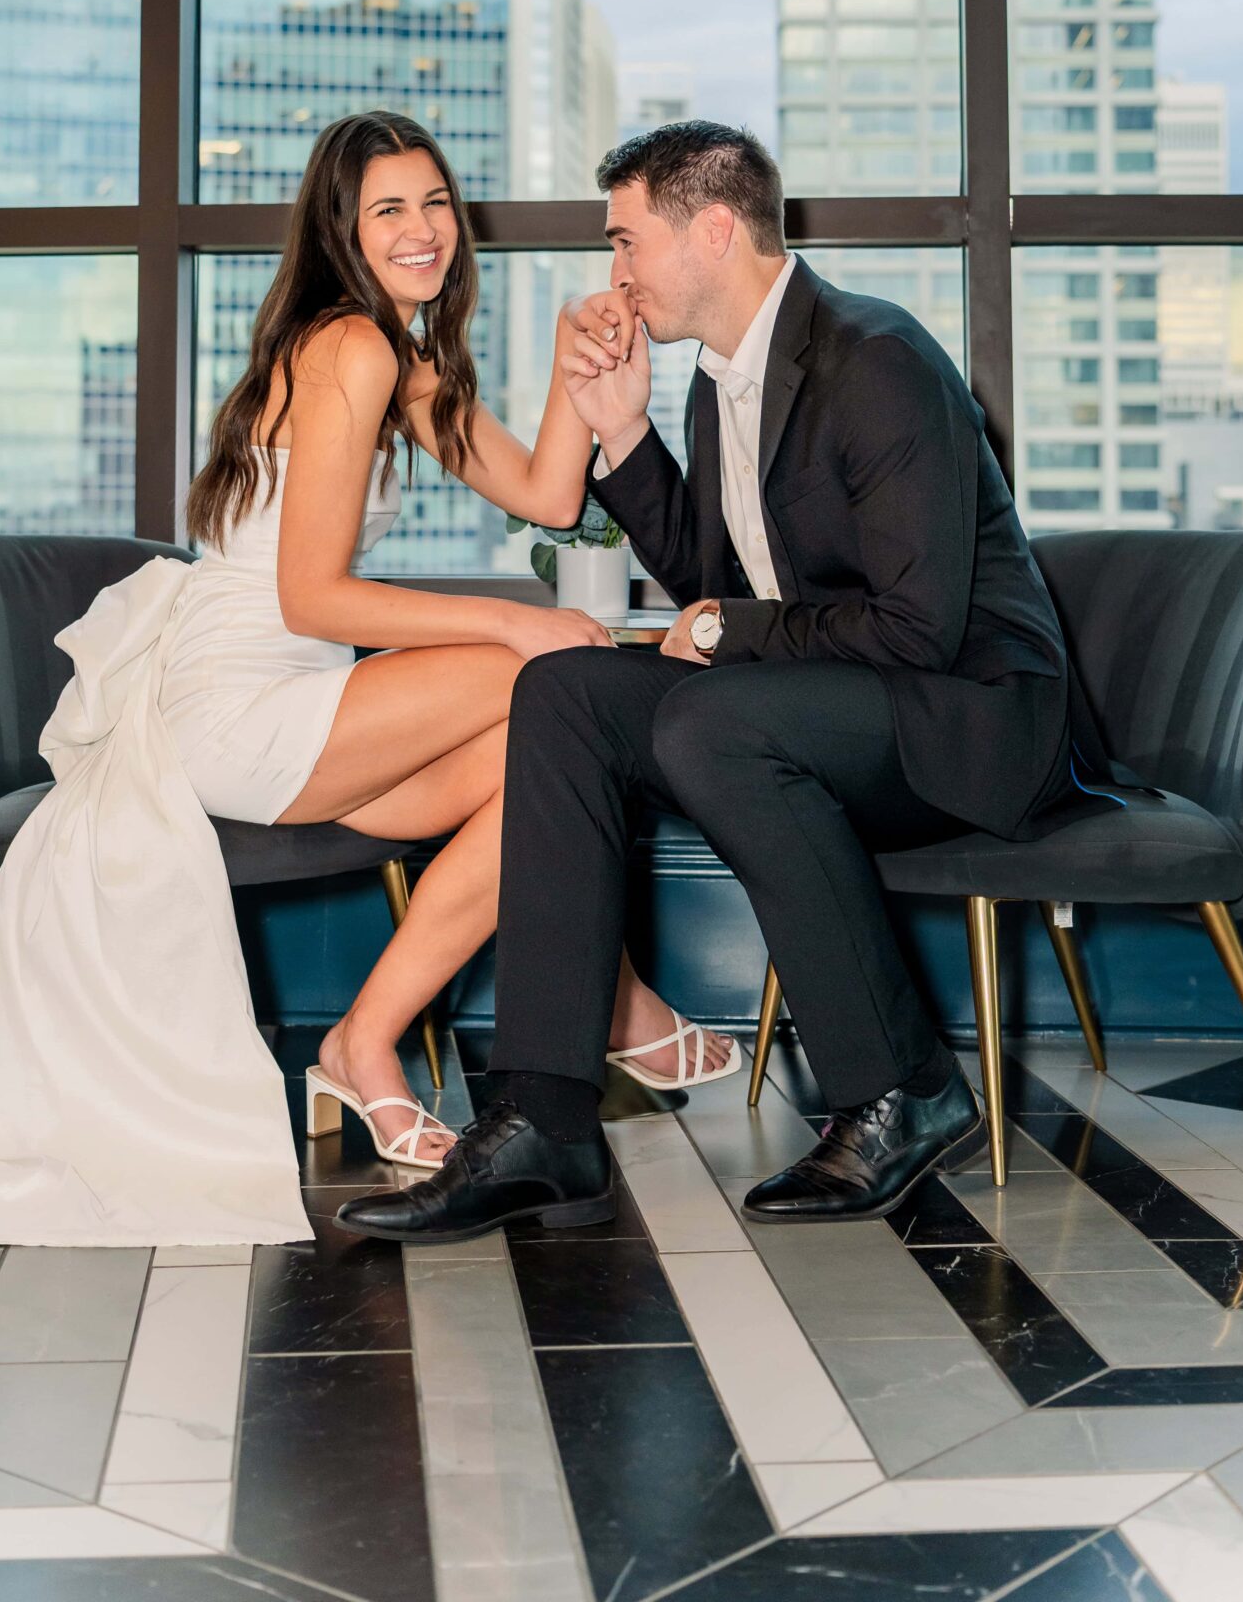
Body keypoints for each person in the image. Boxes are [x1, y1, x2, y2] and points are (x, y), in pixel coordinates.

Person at [0, 111, 731, 1249]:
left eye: (435, 202)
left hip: (305, 702)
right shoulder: (350, 349)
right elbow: (310, 600)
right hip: (242, 706)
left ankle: (366, 1041)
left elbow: (544, 493)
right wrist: (511, 622)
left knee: (539, 772)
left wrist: (576, 366)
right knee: (557, 674)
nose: (423, 229)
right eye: (389, 209)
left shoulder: (397, 353)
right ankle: (611, 1005)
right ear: (342, 227)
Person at [340, 120, 1112, 1244]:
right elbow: (715, 579)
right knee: (564, 692)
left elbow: (914, 629)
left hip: (969, 721)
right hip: (830, 705)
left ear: (711, 230)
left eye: (626, 241)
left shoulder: (877, 360)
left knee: (714, 722)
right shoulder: (719, 380)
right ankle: (542, 1116)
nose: (617, 274)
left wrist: (725, 629)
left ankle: (904, 1088)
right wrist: (621, 434)